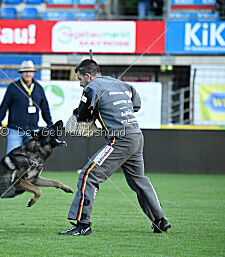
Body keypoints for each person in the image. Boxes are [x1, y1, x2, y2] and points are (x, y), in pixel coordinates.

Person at [59, 59, 171, 236]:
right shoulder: (122, 84)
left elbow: (82, 116)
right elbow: (135, 106)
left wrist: (83, 115)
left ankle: (83, 225)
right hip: (136, 136)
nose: (80, 84)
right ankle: (159, 220)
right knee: (138, 181)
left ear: (88, 76)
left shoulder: (91, 88)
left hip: (119, 140)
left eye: (80, 79)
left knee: (89, 175)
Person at [0, 60, 53, 154]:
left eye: (30, 71)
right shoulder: (13, 87)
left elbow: (45, 108)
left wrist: (50, 124)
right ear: (21, 73)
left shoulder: (39, 88)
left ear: (33, 73)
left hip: (33, 130)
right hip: (15, 130)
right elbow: (4, 106)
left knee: (31, 159)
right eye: (25, 72)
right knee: (13, 158)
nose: (28, 74)